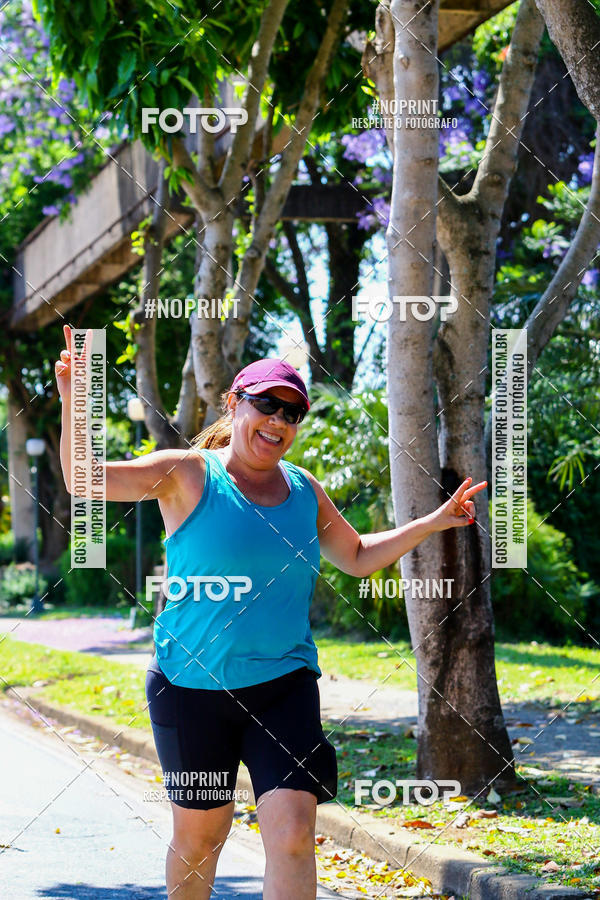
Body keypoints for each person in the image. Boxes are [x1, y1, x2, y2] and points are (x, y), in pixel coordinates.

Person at [55, 324, 486, 900]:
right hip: (190, 686)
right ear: (235, 404)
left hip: (283, 685)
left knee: (292, 835)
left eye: (291, 413)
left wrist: (434, 522)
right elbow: (84, 480)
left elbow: (356, 556)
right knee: (203, 835)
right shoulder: (186, 473)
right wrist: (73, 401)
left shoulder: (303, 489)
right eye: (266, 405)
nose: (278, 422)